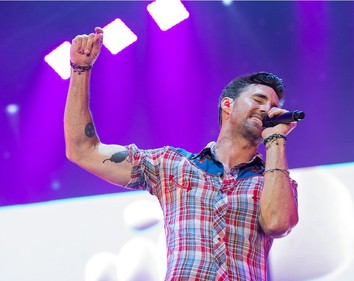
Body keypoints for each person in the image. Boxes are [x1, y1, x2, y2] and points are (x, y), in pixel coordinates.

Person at [64, 27, 299, 281]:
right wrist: (80, 70)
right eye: (259, 99)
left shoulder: (275, 181)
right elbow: (83, 151)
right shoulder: (172, 164)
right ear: (228, 105)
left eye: (274, 107)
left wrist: (276, 138)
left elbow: (278, 224)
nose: (268, 110)